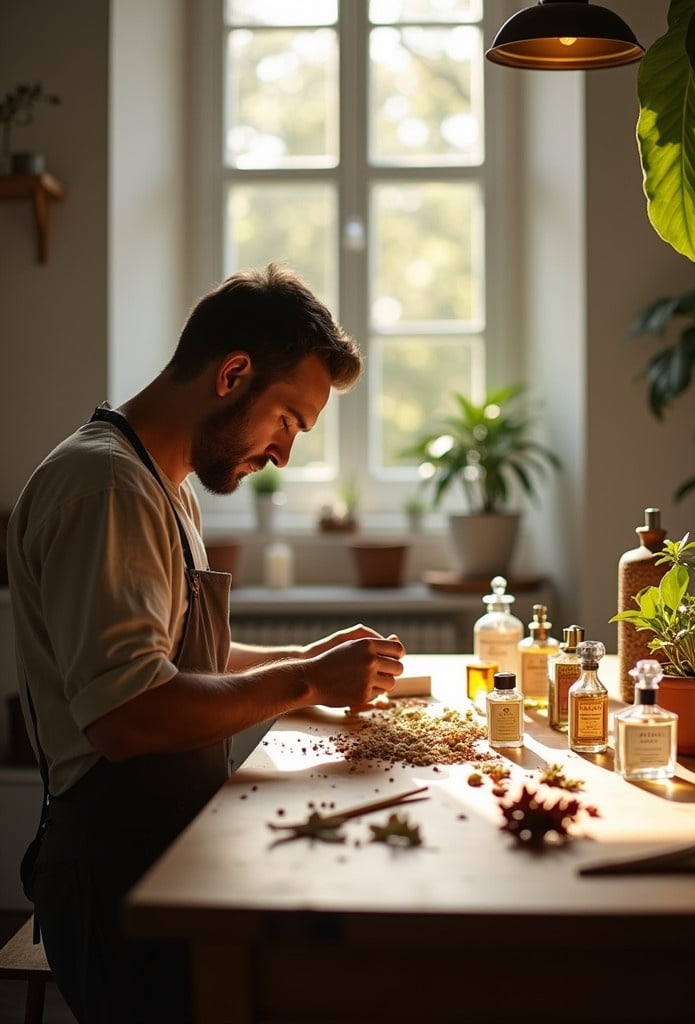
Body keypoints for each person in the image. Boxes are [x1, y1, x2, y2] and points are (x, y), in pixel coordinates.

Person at [6, 263, 405, 1024]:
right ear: (233, 374)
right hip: (114, 871)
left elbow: (184, 656)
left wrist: (312, 659)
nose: (284, 455)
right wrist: (306, 682)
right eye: (288, 420)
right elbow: (129, 714)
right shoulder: (107, 487)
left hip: (161, 845)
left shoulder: (163, 482)